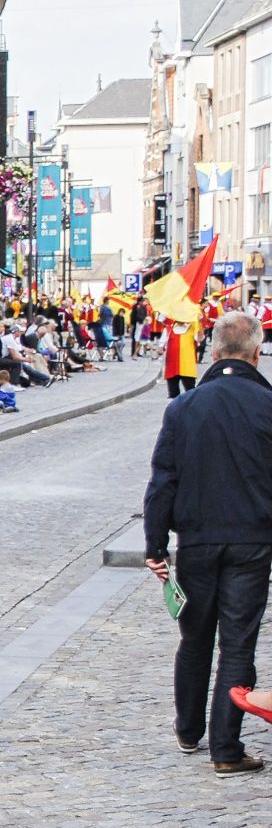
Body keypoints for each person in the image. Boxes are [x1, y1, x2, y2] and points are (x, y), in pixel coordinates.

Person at [143, 310, 272, 777]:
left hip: (196, 540)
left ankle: (188, 729)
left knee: (195, 638)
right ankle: (226, 749)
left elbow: (163, 482)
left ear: (213, 353)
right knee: (237, 645)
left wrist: (155, 546)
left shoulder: (182, 408)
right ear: (256, 355)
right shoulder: (268, 405)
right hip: (253, 541)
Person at [165, 311, 201, 399]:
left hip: (187, 365)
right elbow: (163, 341)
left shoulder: (192, 326)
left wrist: (200, 325)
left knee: (190, 391)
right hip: (172, 364)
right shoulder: (170, 327)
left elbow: (199, 339)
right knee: (173, 393)